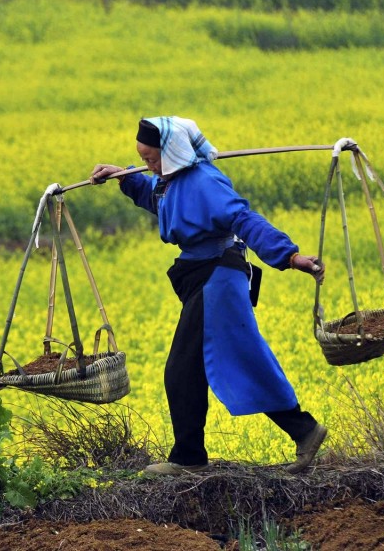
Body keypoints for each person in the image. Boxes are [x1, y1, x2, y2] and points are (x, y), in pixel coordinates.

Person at [90, 116, 328, 476]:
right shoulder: (171, 181)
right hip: (206, 277)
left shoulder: (204, 182)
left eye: (152, 158)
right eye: (142, 157)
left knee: (182, 368)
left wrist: (290, 256)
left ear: (171, 152)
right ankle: (304, 430)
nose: (148, 164)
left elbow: (245, 220)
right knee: (233, 360)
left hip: (218, 278)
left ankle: (189, 459)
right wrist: (124, 177)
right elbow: (159, 200)